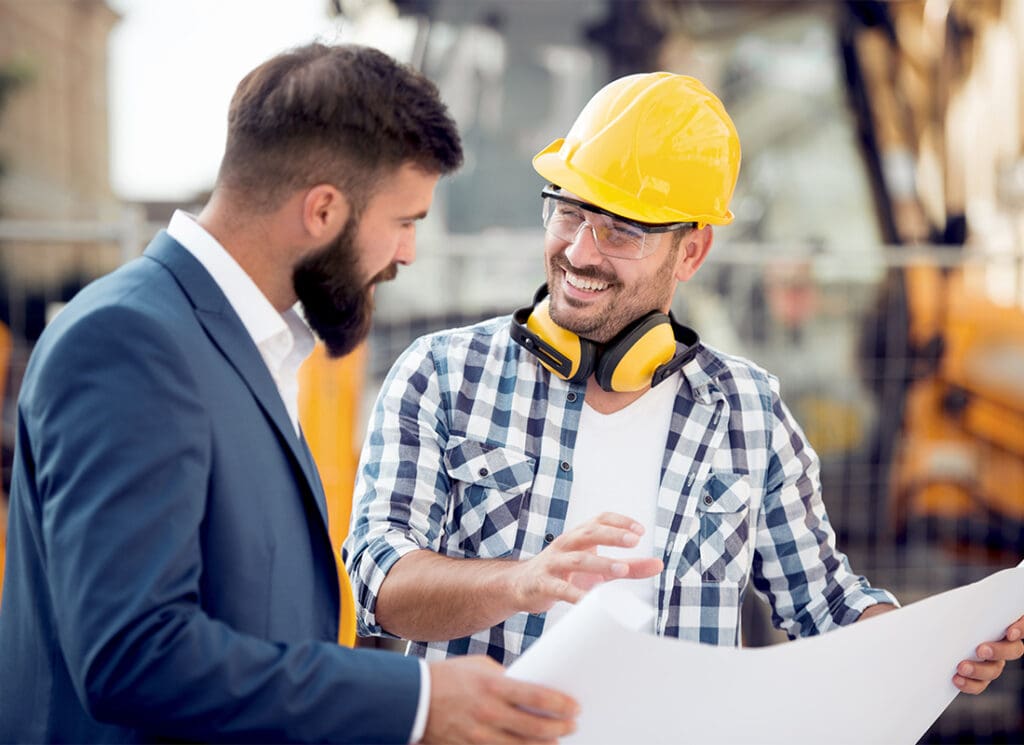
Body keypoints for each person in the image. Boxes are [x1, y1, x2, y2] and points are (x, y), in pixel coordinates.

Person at [345, 72, 1024, 695]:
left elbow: (827, 603)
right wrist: (522, 582)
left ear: (691, 251)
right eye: (570, 212)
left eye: (621, 231)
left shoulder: (746, 409)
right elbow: (380, 581)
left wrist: (941, 644)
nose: (581, 251)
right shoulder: (441, 374)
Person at [0, 43, 578, 744]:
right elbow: (133, 651)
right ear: (324, 210)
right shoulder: (129, 341)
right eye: (405, 222)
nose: (409, 254)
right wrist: (416, 699)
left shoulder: (237, 341)